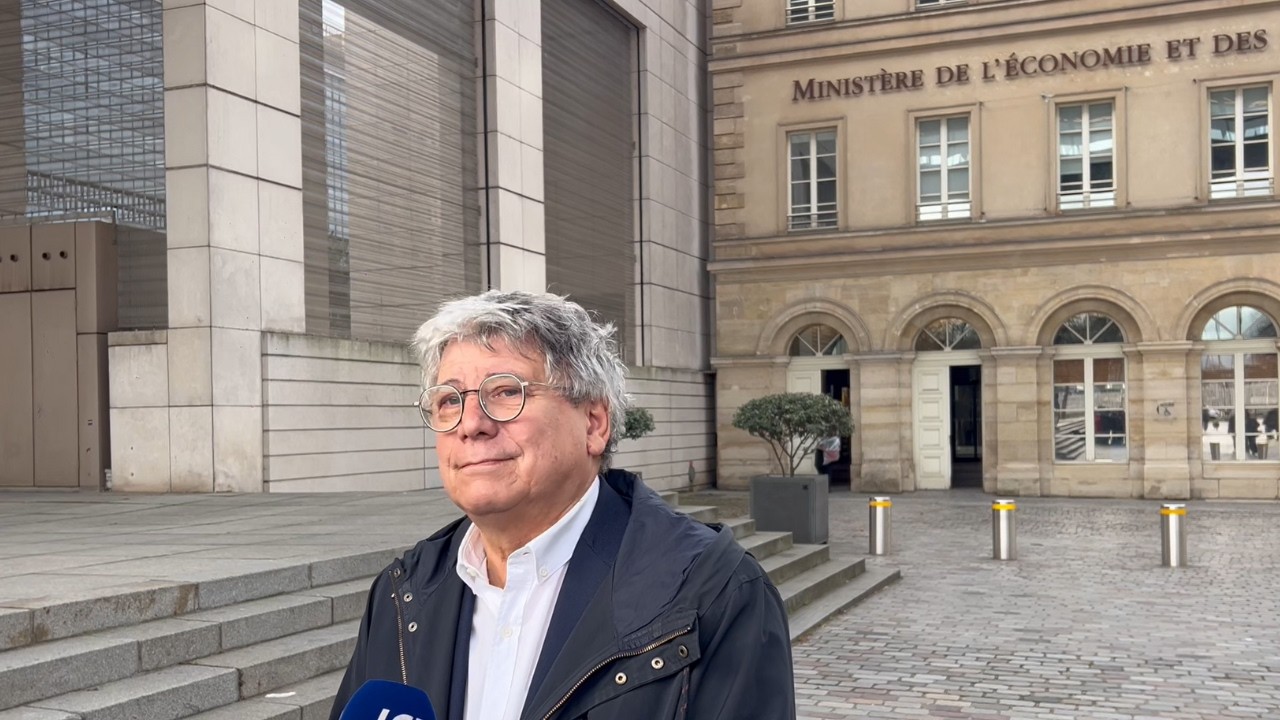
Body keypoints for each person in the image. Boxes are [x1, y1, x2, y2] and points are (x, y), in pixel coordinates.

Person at [330, 290, 795, 720]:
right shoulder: (403, 592)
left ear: (594, 423)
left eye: (506, 391)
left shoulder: (713, 594)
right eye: (449, 401)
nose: (470, 424)